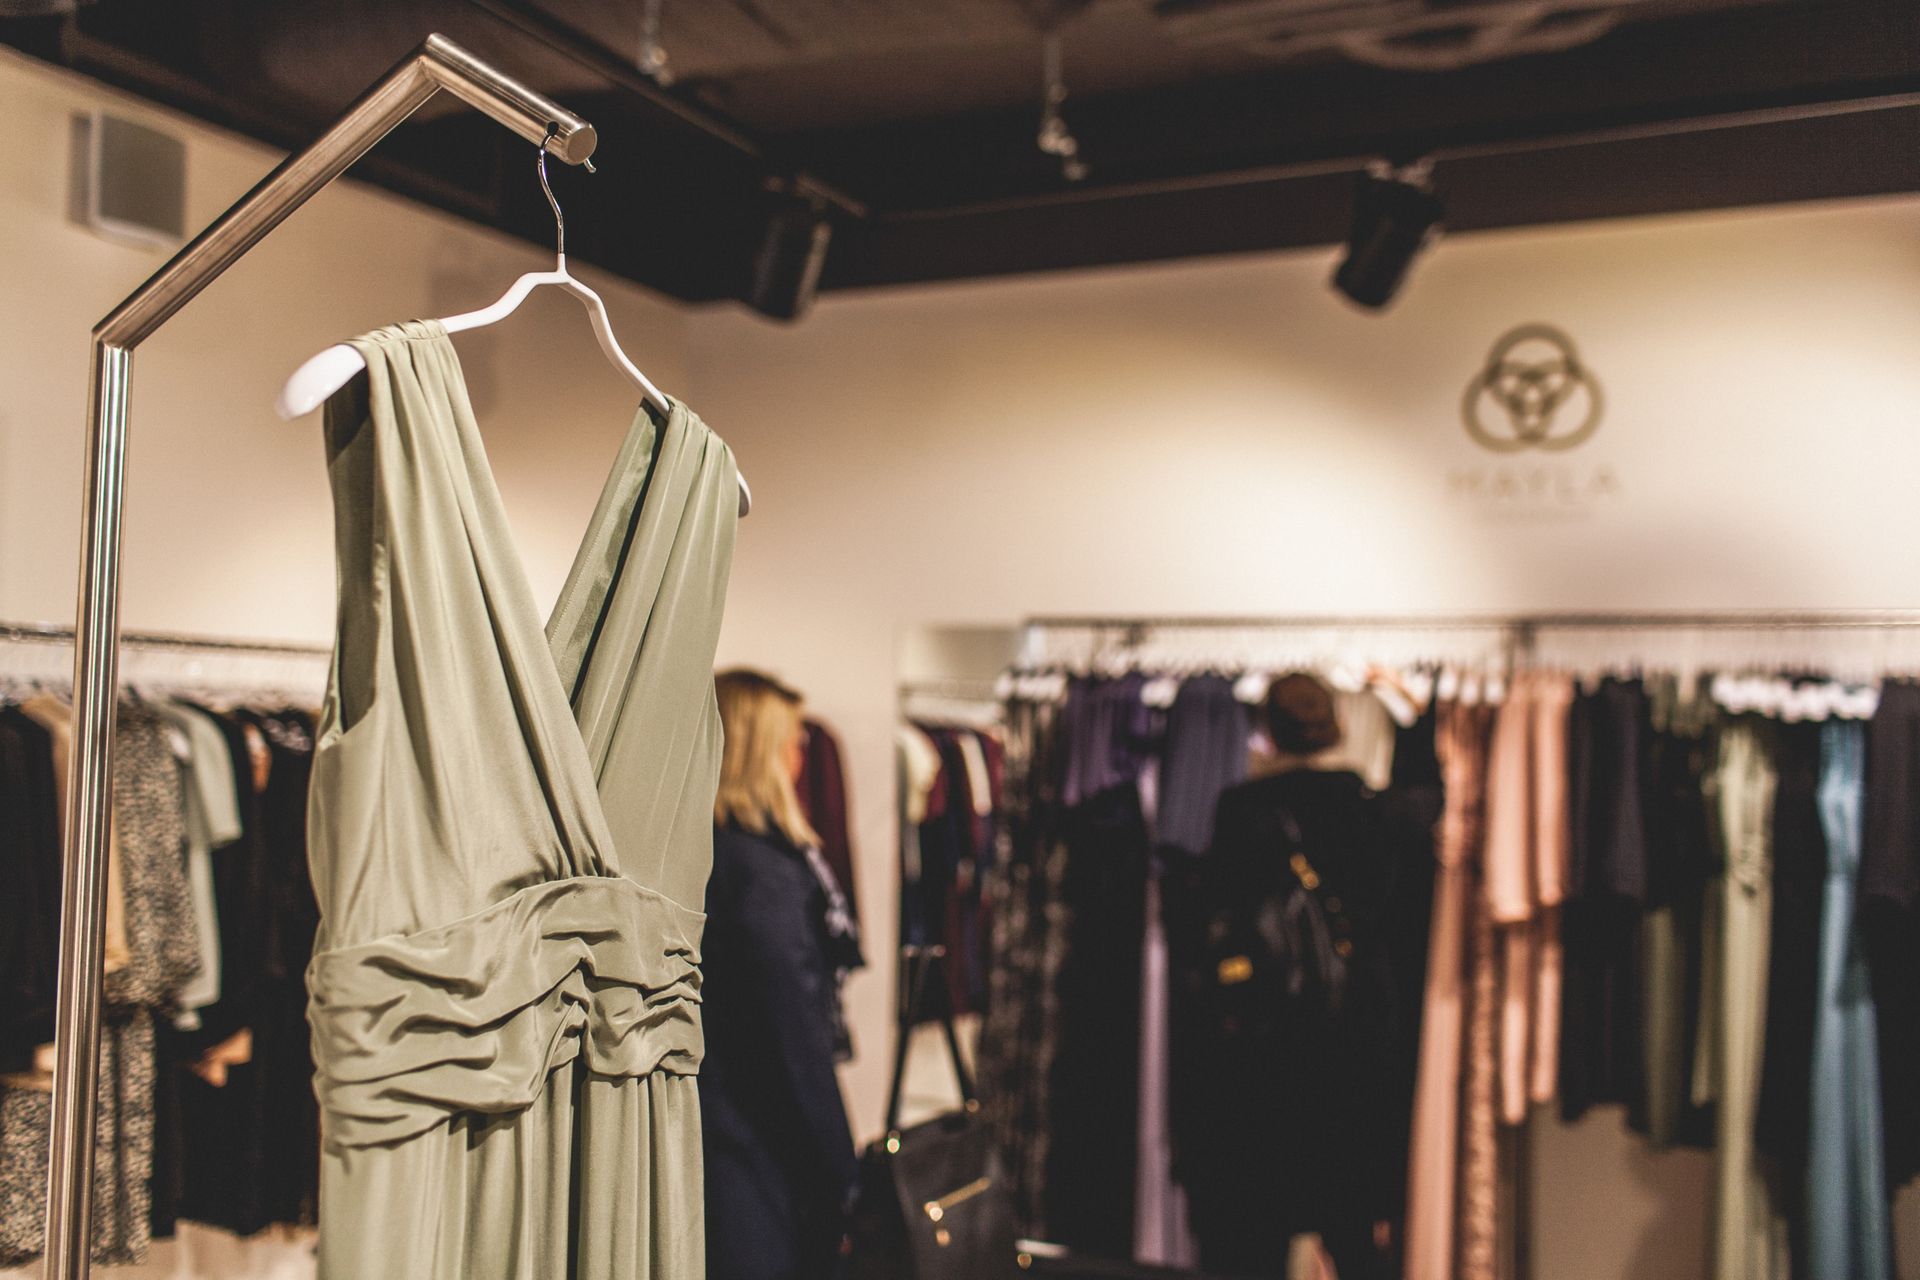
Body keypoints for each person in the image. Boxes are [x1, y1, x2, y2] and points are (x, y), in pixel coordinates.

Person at [703, 669, 859, 1280]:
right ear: (757, 749)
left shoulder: (714, 854)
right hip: (754, 1145)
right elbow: (793, 1038)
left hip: (728, 1132)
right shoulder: (761, 872)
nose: (800, 758)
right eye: (791, 742)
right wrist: (841, 1169)